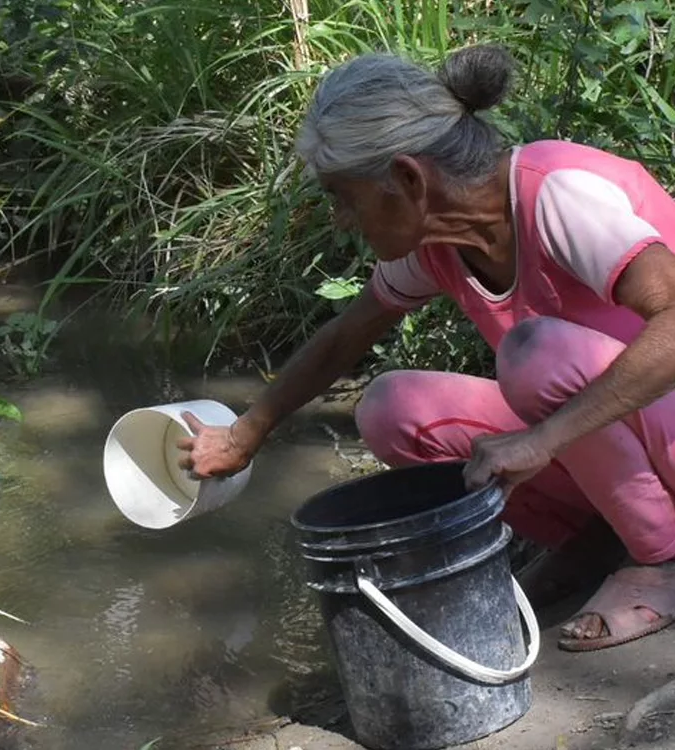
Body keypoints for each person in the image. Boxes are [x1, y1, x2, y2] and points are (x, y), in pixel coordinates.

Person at [176, 44, 675, 653]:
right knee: (392, 409)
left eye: (343, 195)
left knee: (534, 354)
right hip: (641, 441)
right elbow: (346, 336)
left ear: (409, 180)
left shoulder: (556, 194)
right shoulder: (438, 243)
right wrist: (245, 432)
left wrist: (541, 440)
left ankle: (661, 561)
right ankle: (599, 539)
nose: (340, 219)